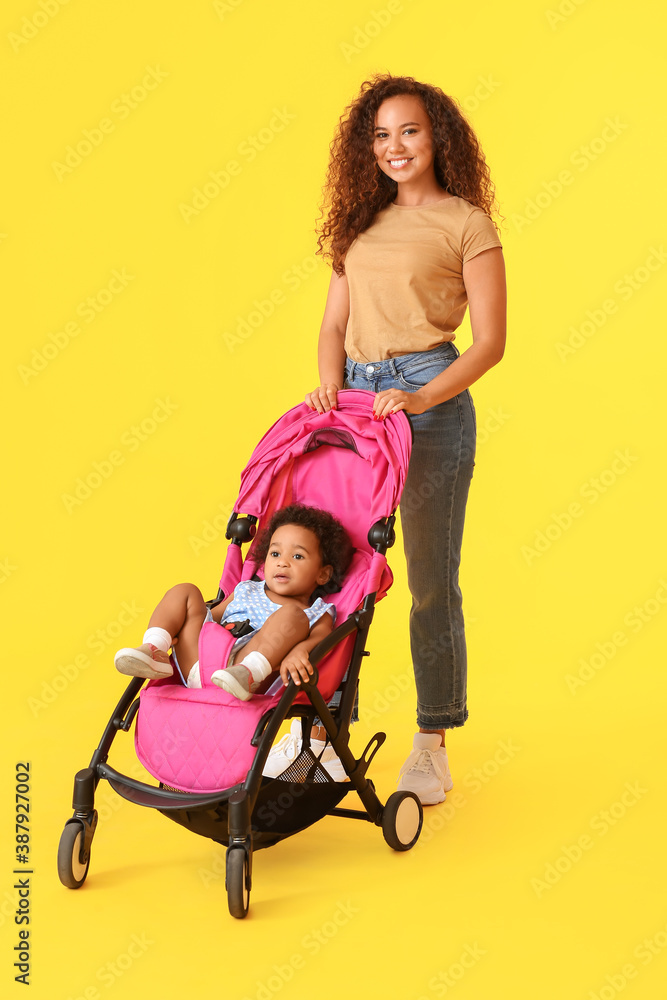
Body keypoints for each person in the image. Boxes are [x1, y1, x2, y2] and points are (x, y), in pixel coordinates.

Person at [300, 73, 507, 806]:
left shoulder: (465, 223)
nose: (394, 147)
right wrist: (330, 385)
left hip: (429, 404)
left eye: (408, 131)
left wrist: (418, 396)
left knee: (426, 583)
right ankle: (321, 736)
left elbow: (489, 344)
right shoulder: (358, 222)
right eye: (380, 135)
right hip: (354, 406)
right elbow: (333, 324)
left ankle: (431, 741)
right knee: (335, 573)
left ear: (436, 136)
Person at [114, 504, 353, 709]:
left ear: (323, 574)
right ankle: (155, 647)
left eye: (297, 556)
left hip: (247, 677)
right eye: (275, 553)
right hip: (200, 662)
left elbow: (323, 639)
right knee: (185, 591)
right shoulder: (246, 588)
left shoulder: (316, 612)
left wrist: (300, 650)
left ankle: (246, 672)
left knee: (292, 615)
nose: (283, 562)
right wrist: (183, 624)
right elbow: (209, 618)